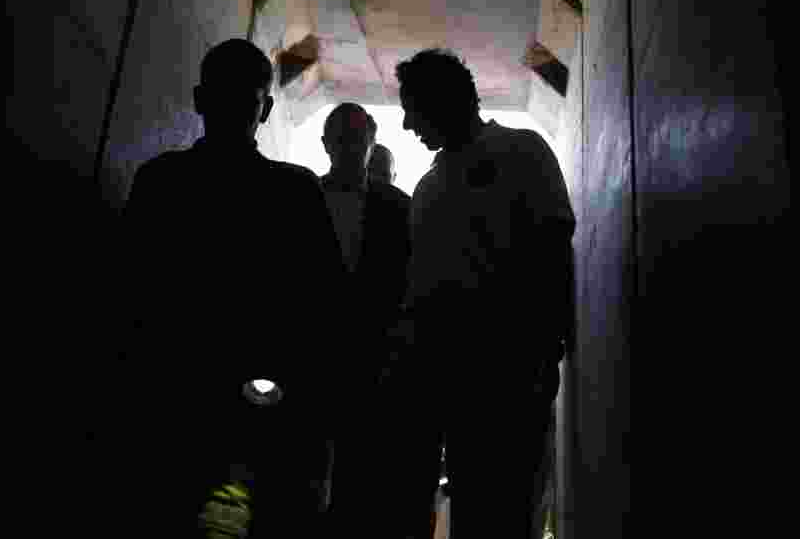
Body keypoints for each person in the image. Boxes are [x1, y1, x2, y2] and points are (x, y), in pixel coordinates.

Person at [120, 38, 346, 537]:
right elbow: (327, 311)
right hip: (258, 421)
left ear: (199, 100)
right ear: (265, 108)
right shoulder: (295, 191)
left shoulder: (160, 182)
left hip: (166, 412)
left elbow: (128, 298)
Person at [391, 48, 576, 538]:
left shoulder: (524, 152)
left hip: (514, 378)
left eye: (412, 108)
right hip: (452, 387)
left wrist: (544, 357)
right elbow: (421, 294)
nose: (408, 124)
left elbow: (554, 255)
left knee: (511, 511)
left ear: (443, 100)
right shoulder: (428, 190)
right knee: (474, 510)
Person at [317, 103, 436, 537]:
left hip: (370, 363)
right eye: (342, 140)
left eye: (358, 141)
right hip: (322, 362)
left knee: (353, 477)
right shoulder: (393, 205)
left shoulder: (397, 207)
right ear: (327, 144)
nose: (350, 149)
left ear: (370, 145)